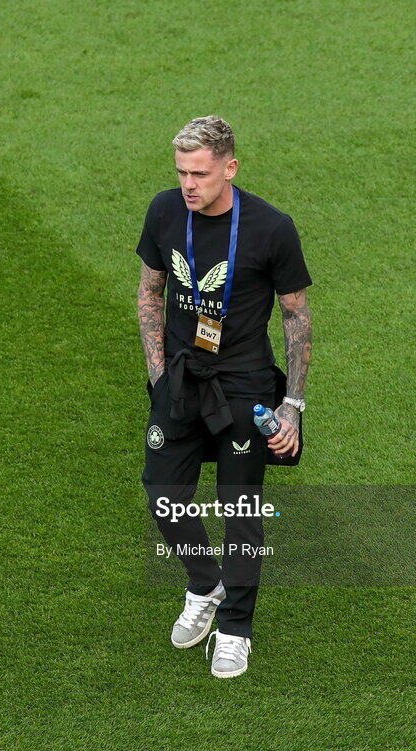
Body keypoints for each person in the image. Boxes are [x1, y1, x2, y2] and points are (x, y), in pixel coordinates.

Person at [135, 115, 313, 678]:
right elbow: (149, 292)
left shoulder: (271, 228)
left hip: (244, 385)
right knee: (163, 493)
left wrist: (294, 406)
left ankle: (235, 627)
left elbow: (297, 318)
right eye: (182, 172)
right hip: (182, 381)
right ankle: (204, 582)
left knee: (240, 508)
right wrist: (159, 377)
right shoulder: (165, 210)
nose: (189, 184)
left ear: (229, 168)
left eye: (201, 174)